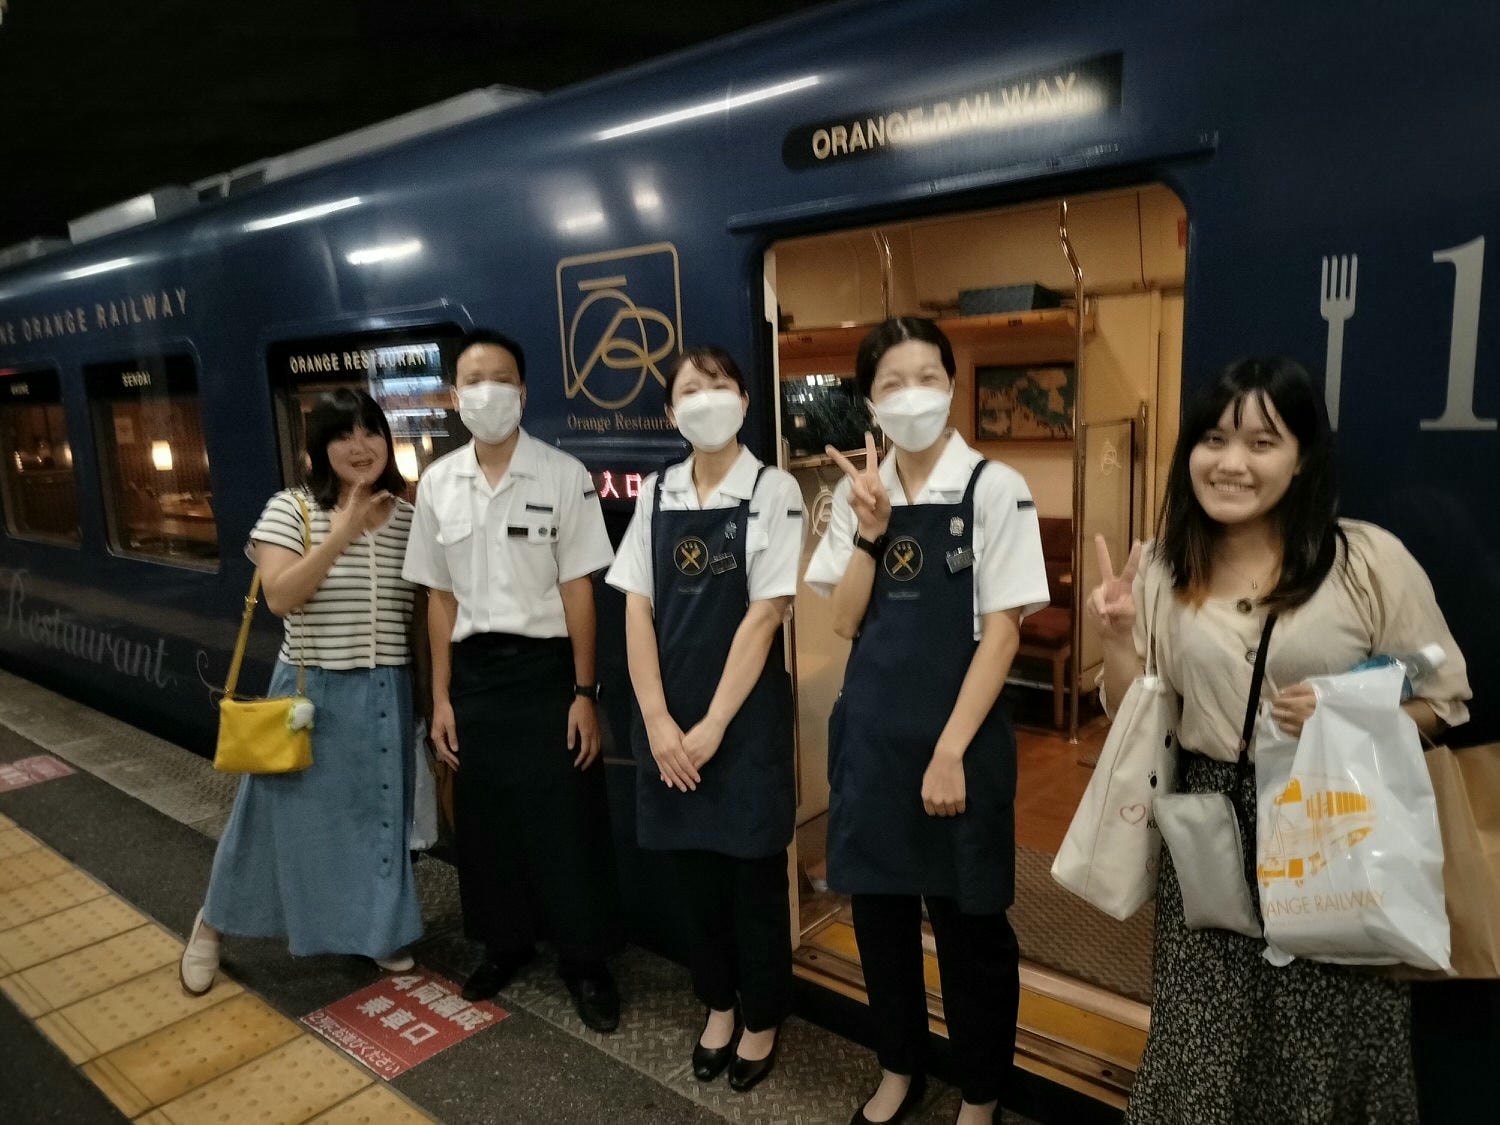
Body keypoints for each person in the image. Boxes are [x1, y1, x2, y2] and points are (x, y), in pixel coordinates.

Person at [1088, 357, 1473, 1123]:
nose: (1232, 462)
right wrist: (1121, 636)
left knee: (1322, 1054)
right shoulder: (1168, 566)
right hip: (1208, 836)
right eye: (1214, 438)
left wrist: (1348, 715)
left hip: (1334, 828)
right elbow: (1131, 708)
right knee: (1203, 1050)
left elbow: (1443, 699)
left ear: (1302, 458)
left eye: (1262, 441)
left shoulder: (1366, 560)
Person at [804, 317, 1050, 1125]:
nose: (912, 395)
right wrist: (870, 533)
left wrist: (949, 750)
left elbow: (1005, 628)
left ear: (950, 382)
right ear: (870, 399)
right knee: (879, 922)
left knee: (971, 930)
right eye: (892, 382)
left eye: (927, 377)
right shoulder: (854, 492)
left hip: (960, 743)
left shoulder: (995, 485)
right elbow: (843, 622)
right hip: (873, 740)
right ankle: (898, 1066)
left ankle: (980, 1093)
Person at [402, 328, 623, 1031]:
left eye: (502, 377)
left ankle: (586, 963)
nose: (488, 389)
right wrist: (440, 696)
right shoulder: (438, 482)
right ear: (456, 394)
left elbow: (581, 589)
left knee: (567, 824)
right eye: (474, 378)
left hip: (547, 672)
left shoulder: (563, 473)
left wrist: (585, 694)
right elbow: (438, 598)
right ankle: (504, 944)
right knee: (488, 825)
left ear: (523, 393)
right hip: (473, 675)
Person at [606, 346, 803, 1091]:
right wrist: (655, 717)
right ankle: (718, 1004)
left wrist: (715, 722)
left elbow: (767, 613)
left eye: (719, 386)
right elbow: (636, 605)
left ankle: (761, 1016)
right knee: (695, 880)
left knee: (752, 878)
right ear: (671, 412)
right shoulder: (656, 492)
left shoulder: (773, 490)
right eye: (691, 389)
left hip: (741, 720)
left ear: (745, 402)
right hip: (669, 718)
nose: (707, 398)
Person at [180, 389, 423, 993]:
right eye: (343, 435)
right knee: (267, 819)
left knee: (378, 819)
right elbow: (282, 597)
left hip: (386, 688)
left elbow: (416, 610)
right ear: (320, 448)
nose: (360, 446)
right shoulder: (291, 509)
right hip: (310, 692)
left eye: (372, 431)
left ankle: (375, 930)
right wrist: (344, 530)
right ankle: (211, 924)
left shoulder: (410, 516)